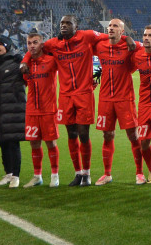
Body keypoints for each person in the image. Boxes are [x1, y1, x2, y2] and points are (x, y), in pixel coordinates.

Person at [21, 15, 130, 187]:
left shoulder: (87, 36)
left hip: (84, 94)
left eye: (68, 23)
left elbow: (111, 36)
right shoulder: (53, 44)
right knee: (71, 134)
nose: (64, 26)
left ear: (76, 26)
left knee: (83, 134)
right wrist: (25, 60)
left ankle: (86, 174)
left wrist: (127, 38)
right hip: (65, 96)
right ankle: (78, 172)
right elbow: (35, 48)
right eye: (62, 23)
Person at [93, 19, 143, 186]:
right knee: (107, 135)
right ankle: (107, 174)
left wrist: (128, 39)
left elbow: (145, 47)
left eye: (115, 26)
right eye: (109, 26)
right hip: (105, 97)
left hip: (125, 98)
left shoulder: (130, 45)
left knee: (133, 135)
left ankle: (140, 173)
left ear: (122, 31)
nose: (111, 28)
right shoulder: (100, 45)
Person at [23, 33, 61, 188]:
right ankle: (37, 176)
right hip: (31, 110)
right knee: (34, 143)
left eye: (35, 42)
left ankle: (54, 175)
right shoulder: (26, 65)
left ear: (42, 44)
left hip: (49, 110)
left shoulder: (51, 61)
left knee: (51, 143)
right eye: (29, 43)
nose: (32, 45)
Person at [0, 35, 26, 188]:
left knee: (13, 143)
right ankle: (8, 173)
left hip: (14, 109)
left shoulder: (17, 61)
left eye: (0, 45)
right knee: (2, 143)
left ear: (8, 46)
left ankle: (16, 176)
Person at [132, 25, 151, 185]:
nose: (146, 38)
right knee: (143, 141)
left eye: (150, 35)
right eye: (144, 35)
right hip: (143, 105)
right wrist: (96, 77)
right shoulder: (137, 56)